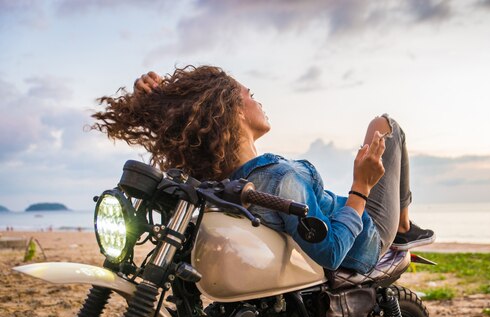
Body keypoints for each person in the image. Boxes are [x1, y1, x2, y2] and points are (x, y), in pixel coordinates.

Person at [92, 65, 434, 274]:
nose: (259, 100)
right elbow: (331, 252)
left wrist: (154, 101)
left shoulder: (218, 183)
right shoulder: (282, 178)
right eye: (250, 94)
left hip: (333, 216)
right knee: (386, 124)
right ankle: (402, 225)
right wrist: (362, 186)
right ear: (233, 111)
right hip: (366, 237)